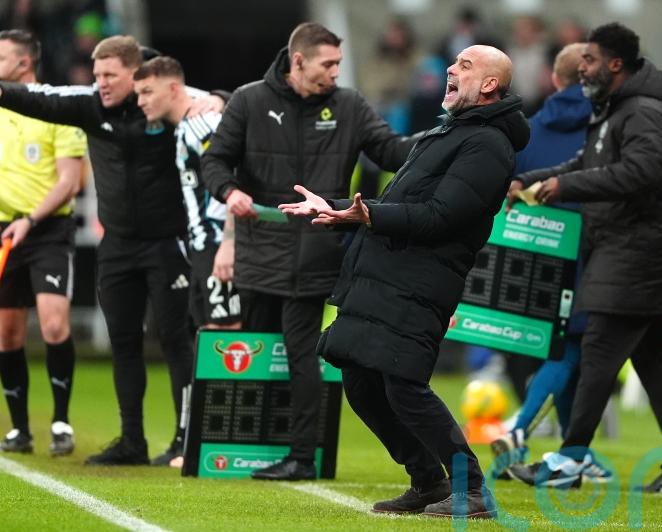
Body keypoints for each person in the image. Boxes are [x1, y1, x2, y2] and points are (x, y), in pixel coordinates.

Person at [279, 44, 529, 518]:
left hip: (422, 278)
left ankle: (471, 488)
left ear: (490, 85)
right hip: (385, 272)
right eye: (453, 63)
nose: (450, 70)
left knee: (403, 384)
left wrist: (367, 214)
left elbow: (440, 217)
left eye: (465, 66)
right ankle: (428, 480)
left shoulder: (488, 144)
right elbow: (405, 205)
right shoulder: (451, 131)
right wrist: (340, 213)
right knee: (360, 379)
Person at [201, 22, 418, 481]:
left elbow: (392, 151)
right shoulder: (248, 100)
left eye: (339, 64)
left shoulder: (350, 106)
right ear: (298, 61)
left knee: (300, 351)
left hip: (317, 250)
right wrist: (228, 192)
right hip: (259, 251)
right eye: (329, 64)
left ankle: (301, 456)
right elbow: (214, 160)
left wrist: (439, 141)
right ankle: (253, 445)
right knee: (257, 348)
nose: (336, 73)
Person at [0, 35, 224, 466]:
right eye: (97, 73)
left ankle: (184, 438)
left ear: (135, 73)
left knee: (176, 340)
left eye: (110, 75)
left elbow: (233, 104)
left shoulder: (162, 99)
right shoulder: (88, 104)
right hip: (118, 246)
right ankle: (131, 442)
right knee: (124, 343)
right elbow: (40, 99)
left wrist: (219, 96)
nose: (100, 82)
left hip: (169, 243)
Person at [507, 23, 662, 493]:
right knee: (652, 357)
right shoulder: (614, 110)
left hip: (641, 253)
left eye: (590, 60)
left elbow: (641, 172)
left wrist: (566, 186)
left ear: (616, 64)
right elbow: (583, 166)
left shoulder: (644, 112)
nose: (583, 68)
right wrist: (536, 180)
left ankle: (571, 458)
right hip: (633, 250)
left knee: (597, 351)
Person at [490, 42, 614, 486]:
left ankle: (572, 455)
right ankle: (522, 428)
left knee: (562, 350)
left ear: (554, 80)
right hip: (593, 254)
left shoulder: (528, 130)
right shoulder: (605, 125)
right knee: (571, 350)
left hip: (533, 259)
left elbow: (508, 187)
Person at [0, 29, 87, 456]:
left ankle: (61, 421)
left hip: (48, 229)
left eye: (0, 58)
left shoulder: (57, 108)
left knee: (53, 322)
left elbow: (71, 182)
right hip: (3, 232)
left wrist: (30, 221)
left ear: (23, 63)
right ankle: (19, 429)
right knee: (7, 333)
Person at [133, 56, 241, 332]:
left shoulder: (202, 123)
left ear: (173, 89)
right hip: (202, 244)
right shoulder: (185, 126)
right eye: (138, 94)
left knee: (228, 333)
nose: (140, 101)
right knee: (206, 332)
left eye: (147, 92)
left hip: (218, 241)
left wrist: (229, 243)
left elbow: (237, 178)